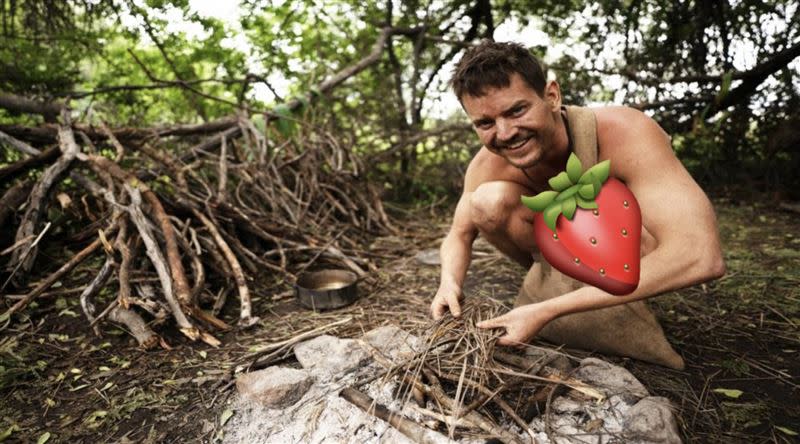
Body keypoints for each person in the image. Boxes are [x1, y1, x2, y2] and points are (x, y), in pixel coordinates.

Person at [430, 40, 725, 352]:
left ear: (552, 96)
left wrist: (548, 309)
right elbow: (458, 235)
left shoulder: (624, 132)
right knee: (486, 201)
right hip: (559, 253)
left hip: (634, 253)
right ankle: (552, 278)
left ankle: (576, 296)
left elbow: (701, 256)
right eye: (485, 123)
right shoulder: (487, 165)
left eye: (517, 110)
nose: (504, 134)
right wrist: (449, 283)